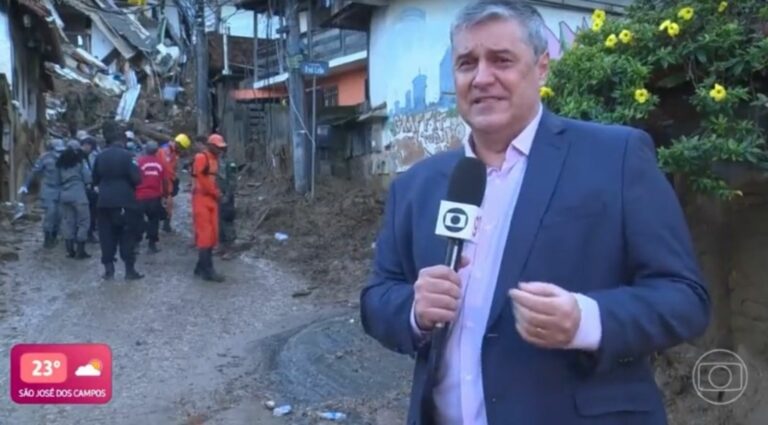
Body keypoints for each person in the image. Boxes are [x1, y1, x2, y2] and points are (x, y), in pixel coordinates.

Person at [359, 2, 711, 425]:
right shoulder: (415, 186)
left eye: (502, 60)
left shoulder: (615, 158)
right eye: (467, 63)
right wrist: (414, 311)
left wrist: (587, 319)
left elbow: (684, 299)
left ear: (542, 67)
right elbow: (378, 298)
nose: (482, 77)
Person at [92, 120, 144, 280]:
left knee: (106, 235)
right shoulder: (129, 156)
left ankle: (109, 270)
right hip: (125, 202)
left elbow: (94, 178)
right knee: (127, 235)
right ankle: (129, 270)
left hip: (104, 201)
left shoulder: (100, 157)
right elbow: (137, 179)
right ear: (122, 141)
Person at [191, 133, 226, 282]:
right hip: (202, 198)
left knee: (212, 235)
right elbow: (203, 180)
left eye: (221, 148)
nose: (220, 150)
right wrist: (216, 193)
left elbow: (214, 180)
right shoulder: (201, 158)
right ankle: (207, 270)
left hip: (211, 199)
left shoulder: (215, 159)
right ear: (211, 146)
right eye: (218, 148)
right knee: (205, 236)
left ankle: (200, 267)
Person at [19, 139, 65, 248]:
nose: (59, 153)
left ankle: (55, 235)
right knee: (50, 214)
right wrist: (25, 185)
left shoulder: (66, 156)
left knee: (59, 215)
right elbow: (34, 171)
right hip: (49, 189)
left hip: (62, 190)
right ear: (51, 149)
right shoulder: (45, 158)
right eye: (57, 150)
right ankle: (47, 238)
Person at [56, 139, 92, 259]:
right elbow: (88, 179)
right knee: (83, 221)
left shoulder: (60, 164)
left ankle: (69, 250)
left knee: (67, 221)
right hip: (78, 194)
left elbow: (56, 181)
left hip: (64, 195)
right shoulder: (80, 163)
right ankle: (80, 251)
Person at [135, 141, 167, 254]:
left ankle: (136, 244)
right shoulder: (160, 163)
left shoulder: (139, 162)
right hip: (155, 196)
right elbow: (164, 181)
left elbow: (134, 178)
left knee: (137, 220)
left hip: (139, 196)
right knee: (154, 220)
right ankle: (152, 245)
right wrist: (165, 195)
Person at [158, 133, 190, 233]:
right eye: (181, 148)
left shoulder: (173, 152)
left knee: (168, 203)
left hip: (168, 179)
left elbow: (173, 167)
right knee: (165, 201)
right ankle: (161, 222)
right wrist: (173, 177)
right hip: (163, 179)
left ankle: (165, 223)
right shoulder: (165, 151)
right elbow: (166, 167)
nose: (182, 151)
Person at [80, 136, 100, 243]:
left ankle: (90, 231)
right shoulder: (77, 157)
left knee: (93, 211)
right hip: (81, 187)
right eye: (85, 145)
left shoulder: (94, 156)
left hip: (92, 187)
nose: (87, 148)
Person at [217, 153, 238, 255]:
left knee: (227, 220)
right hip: (218, 194)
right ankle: (222, 245)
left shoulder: (230, 163)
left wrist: (228, 194)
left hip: (227, 195)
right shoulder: (215, 161)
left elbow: (233, 180)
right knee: (218, 221)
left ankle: (231, 247)